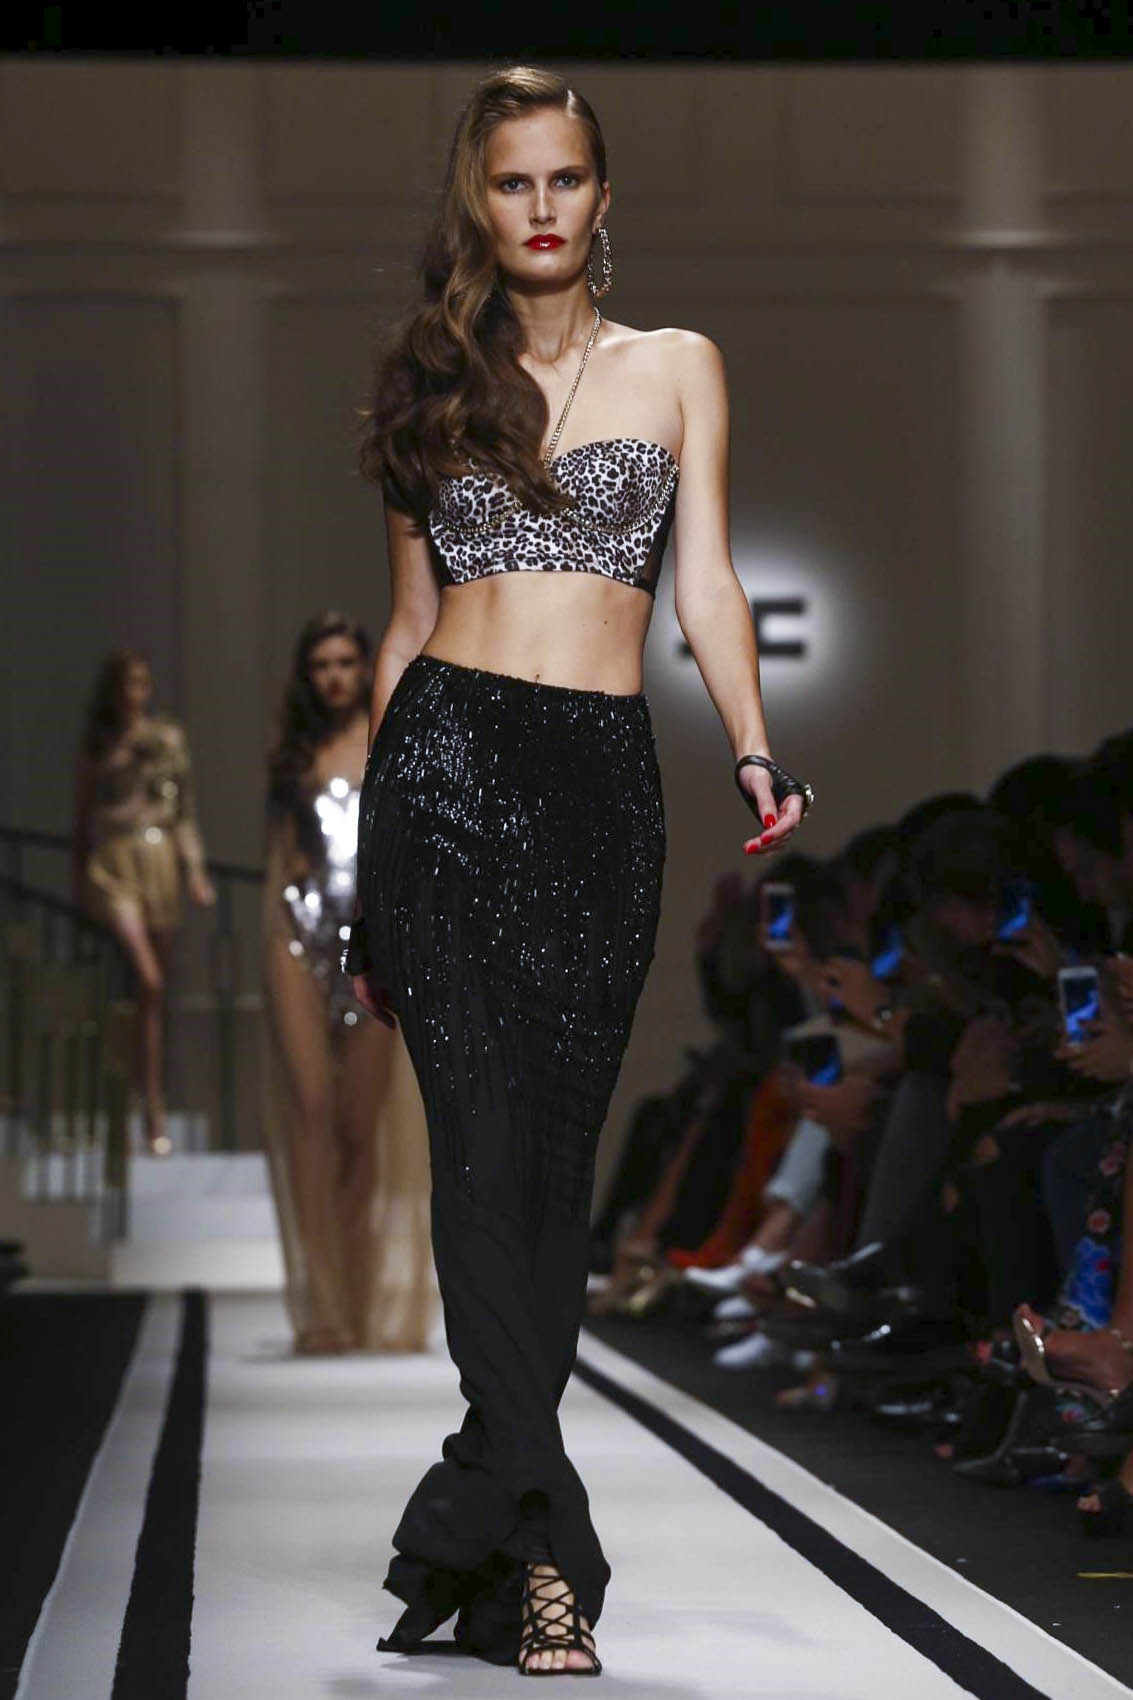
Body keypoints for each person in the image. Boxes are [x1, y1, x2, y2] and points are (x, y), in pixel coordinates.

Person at [346, 65, 811, 1677]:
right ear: (477, 203)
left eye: (564, 179)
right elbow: (406, 628)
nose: (539, 207)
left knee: (550, 1174)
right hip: (444, 774)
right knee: (482, 1165)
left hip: (598, 794)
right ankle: (549, 1557)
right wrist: (367, 867)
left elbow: (708, 584)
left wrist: (752, 745)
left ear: (603, 197)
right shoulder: (430, 381)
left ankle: (476, 1513)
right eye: (511, 182)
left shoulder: (678, 367)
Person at [261, 613, 434, 1356]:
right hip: (297, 940)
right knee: (310, 1113)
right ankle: (322, 1308)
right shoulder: (290, 755)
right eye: (319, 664)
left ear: (365, 667)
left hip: (373, 946)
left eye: (343, 662)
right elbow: (281, 856)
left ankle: (360, 1299)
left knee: (361, 1130)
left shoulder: (392, 739)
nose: (332, 676)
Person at [73, 650, 214, 1155]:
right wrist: (76, 886)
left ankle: (151, 1105)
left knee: (151, 995)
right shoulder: (100, 745)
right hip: (113, 864)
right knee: (146, 978)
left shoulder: (166, 740)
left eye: (141, 682)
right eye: (126, 683)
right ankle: (127, 1104)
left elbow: (184, 812)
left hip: (159, 861)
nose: (134, 692)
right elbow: (82, 819)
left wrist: (195, 871)